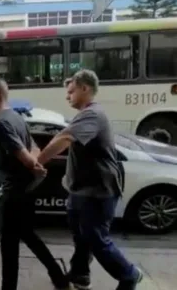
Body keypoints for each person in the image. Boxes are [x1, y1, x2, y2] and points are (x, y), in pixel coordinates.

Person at [37, 70, 143, 290]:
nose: (68, 97)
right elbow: (63, 135)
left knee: (96, 240)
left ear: (85, 89)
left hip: (97, 192)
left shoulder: (93, 114)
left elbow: (65, 138)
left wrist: (36, 162)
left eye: (71, 91)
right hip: (81, 190)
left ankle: (129, 274)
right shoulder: (84, 115)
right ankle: (80, 274)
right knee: (81, 237)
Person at [0, 80, 71, 290]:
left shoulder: (0, 123)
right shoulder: (17, 117)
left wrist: (34, 165)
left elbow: (22, 153)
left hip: (13, 193)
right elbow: (33, 146)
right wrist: (36, 166)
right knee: (28, 236)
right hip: (26, 190)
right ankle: (58, 276)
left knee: (9, 246)